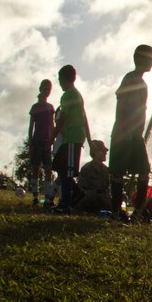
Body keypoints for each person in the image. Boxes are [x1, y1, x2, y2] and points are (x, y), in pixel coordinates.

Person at [109, 45, 152, 222]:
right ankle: (115, 212)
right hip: (124, 134)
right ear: (141, 60)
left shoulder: (142, 83)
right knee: (118, 172)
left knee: (144, 170)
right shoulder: (129, 79)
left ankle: (138, 212)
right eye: (151, 59)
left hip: (135, 135)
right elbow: (121, 105)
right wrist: (124, 129)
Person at [54, 65, 92, 214]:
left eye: (59, 80)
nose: (59, 83)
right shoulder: (77, 95)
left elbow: (62, 119)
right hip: (73, 137)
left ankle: (66, 205)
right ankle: (76, 195)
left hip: (72, 137)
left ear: (63, 79)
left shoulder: (68, 95)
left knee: (68, 172)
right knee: (62, 169)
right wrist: (88, 140)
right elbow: (85, 118)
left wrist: (51, 138)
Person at [27, 79, 55, 205]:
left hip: (47, 142)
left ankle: (48, 197)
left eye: (49, 89)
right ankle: (35, 196)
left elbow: (52, 125)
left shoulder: (50, 108)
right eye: (45, 88)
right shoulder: (35, 107)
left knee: (48, 169)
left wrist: (52, 140)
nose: (47, 91)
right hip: (37, 140)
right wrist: (30, 143)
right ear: (40, 89)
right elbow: (31, 127)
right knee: (35, 169)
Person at [74, 140, 111, 214]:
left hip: (102, 200)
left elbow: (107, 188)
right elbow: (81, 190)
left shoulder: (106, 170)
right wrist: (97, 195)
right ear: (95, 152)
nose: (105, 153)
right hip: (88, 200)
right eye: (102, 151)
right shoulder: (87, 168)